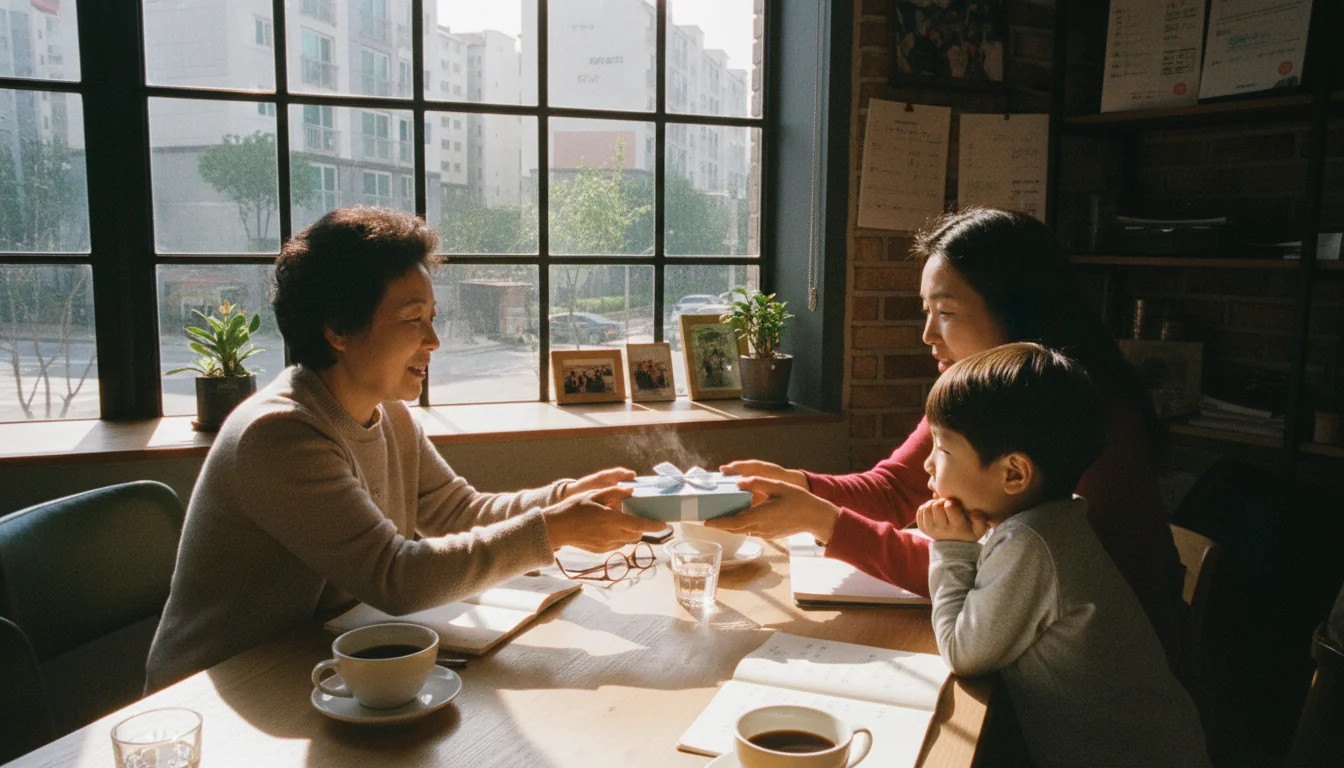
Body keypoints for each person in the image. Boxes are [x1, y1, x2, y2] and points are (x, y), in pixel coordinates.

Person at [146, 208, 663, 691]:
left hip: (313, 667)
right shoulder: (280, 434)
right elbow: (395, 578)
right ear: (338, 329)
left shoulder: (389, 414)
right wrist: (554, 530)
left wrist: (566, 497)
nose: (434, 340)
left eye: (432, 317)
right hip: (220, 690)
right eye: (414, 319)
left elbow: (458, 512)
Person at [711, 208, 1186, 668]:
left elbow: (999, 581)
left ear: (1018, 310)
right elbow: (894, 490)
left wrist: (825, 522)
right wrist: (798, 486)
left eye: (946, 311)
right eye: (926, 310)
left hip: (1100, 689)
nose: (927, 334)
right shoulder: (983, 396)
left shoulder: (1088, 423)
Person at [917, 342, 1209, 767]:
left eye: (942, 450)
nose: (928, 464)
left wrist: (950, 549)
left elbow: (963, 653)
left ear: (1014, 473)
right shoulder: (1049, 521)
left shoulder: (1032, 544)